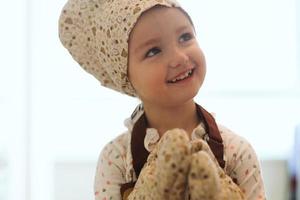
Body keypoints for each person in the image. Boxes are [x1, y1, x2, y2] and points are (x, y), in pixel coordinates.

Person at [58, 0, 266, 199]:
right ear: (125, 76)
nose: (179, 58)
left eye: (185, 37)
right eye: (153, 51)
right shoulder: (117, 160)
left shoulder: (237, 152)